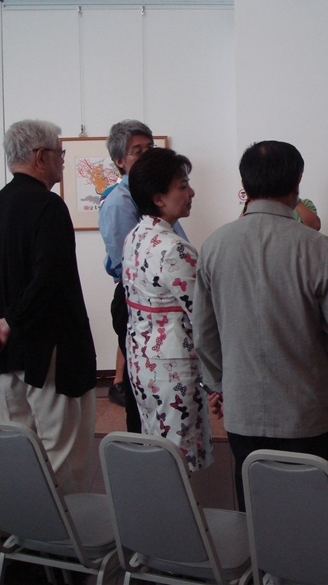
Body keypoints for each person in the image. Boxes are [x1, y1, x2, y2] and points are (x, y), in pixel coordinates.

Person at [193, 140, 328, 510]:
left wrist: (220, 384)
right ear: (297, 181)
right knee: (312, 512)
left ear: (245, 183)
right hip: (307, 410)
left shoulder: (214, 246)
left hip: (242, 409)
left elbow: (203, 334)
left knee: (254, 511)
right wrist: (316, 352)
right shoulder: (320, 247)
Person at [0, 119, 97, 495]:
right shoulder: (49, 207)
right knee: (63, 458)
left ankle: (23, 527)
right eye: (60, 153)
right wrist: (9, 322)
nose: (63, 160)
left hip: (6, 355)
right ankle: (67, 532)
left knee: (19, 453)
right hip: (49, 354)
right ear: (41, 157)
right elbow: (49, 280)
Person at [121, 147, 212, 472]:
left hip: (141, 359)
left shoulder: (135, 236)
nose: (191, 193)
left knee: (157, 449)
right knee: (178, 459)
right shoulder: (175, 248)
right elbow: (205, 316)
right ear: (159, 198)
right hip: (173, 367)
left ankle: (156, 503)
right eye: (183, 186)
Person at [99, 120, 189, 432]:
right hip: (140, 296)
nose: (147, 154)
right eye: (137, 151)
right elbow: (127, 264)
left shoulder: (157, 203)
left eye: (150, 148)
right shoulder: (119, 202)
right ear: (119, 161)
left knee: (161, 397)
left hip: (165, 299)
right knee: (145, 397)